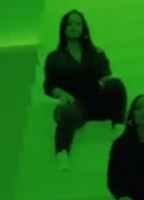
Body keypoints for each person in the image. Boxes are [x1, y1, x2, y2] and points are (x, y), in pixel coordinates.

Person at [42, 9, 127, 171]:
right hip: (75, 103)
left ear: (83, 28)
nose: (74, 26)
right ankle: (62, 153)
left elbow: (105, 76)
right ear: (63, 29)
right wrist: (62, 94)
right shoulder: (54, 57)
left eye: (78, 23)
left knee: (117, 84)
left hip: (97, 100)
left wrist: (105, 79)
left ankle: (118, 128)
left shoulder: (96, 52)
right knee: (66, 111)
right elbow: (49, 86)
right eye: (69, 24)